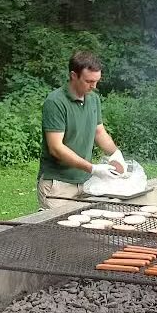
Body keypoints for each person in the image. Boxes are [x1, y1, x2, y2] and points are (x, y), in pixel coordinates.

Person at [37, 51, 126, 209]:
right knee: (57, 233)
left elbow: (99, 132)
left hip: (86, 183)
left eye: (97, 81)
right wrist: (93, 168)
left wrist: (116, 154)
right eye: (89, 81)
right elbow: (56, 148)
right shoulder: (55, 102)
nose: (94, 86)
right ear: (73, 75)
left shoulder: (93, 99)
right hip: (58, 185)